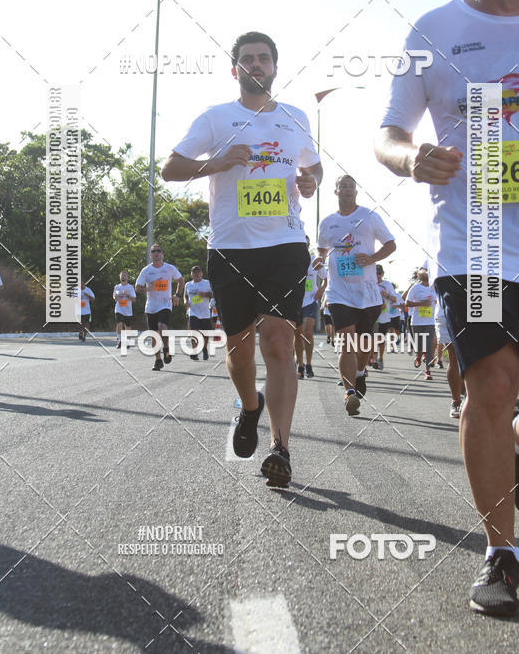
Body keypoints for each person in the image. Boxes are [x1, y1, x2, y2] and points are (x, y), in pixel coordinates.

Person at [376, 0, 519, 617]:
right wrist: (409, 159)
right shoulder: (434, 28)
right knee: (488, 385)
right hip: (475, 240)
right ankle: (502, 551)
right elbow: (388, 130)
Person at [162, 31, 322, 488]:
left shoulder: (295, 117)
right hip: (231, 247)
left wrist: (309, 180)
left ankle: (281, 449)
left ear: (275, 66)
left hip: (285, 245)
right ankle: (250, 407)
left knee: (277, 342)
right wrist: (217, 163)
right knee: (238, 350)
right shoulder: (216, 118)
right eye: (247, 59)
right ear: (235, 69)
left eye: (264, 58)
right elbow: (170, 169)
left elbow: (312, 165)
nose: (256, 65)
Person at [317, 175, 395, 415]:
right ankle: (349, 393)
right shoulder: (327, 222)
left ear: (356, 191)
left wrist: (372, 258)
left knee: (363, 344)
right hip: (339, 292)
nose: (347, 189)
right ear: (336, 191)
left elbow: (390, 244)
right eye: (343, 186)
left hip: (367, 293)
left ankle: (360, 372)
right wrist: (320, 260)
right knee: (346, 342)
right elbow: (322, 249)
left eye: (351, 186)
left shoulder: (369, 217)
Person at [135, 244, 184, 370]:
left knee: (162, 326)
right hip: (151, 306)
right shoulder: (146, 270)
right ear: (150, 255)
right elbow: (137, 287)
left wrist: (178, 295)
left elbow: (181, 281)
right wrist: (146, 288)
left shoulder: (169, 268)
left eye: (158, 251)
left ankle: (166, 348)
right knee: (154, 334)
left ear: (162, 254)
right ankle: (158, 360)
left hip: (165, 304)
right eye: (153, 251)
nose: (156, 253)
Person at [295, 237, 327, 379]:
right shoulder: (291, 260)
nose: (304, 247)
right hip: (295, 302)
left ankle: (308, 363)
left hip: (310, 301)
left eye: (306, 245)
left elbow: (327, 278)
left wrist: (321, 289)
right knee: (297, 334)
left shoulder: (314, 260)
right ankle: (300, 365)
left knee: (307, 332)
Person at [404, 268, 435, 380]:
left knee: (429, 346)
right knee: (419, 344)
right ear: (419, 276)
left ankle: (427, 371)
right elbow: (407, 303)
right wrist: (421, 303)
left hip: (431, 321)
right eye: (423, 271)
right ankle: (418, 354)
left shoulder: (434, 287)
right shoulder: (416, 288)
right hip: (417, 321)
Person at [184, 266, 213, 360]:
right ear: (191, 274)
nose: (196, 274)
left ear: (202, 273)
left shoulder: (207, 283)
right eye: (194, 272)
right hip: (193, 312)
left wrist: (205, 294)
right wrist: (185, 301)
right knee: (194, 332)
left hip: (205, 312)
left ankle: (204, 348)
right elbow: (186, 296)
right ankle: (194, 352)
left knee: (205, 334)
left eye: (198, 272)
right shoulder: (188, 284)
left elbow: (213, 294)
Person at [374, 264, 397, 370]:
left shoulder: (387, 285)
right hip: (372, 316)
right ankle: (373, 359)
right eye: (375, 273)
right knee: (371, 338)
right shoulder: (369, 283)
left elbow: (394, 299)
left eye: (379, 273)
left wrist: (386, 295)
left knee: (381, 339)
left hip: (384, 316)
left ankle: (380, 358)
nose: (377, 276)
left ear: (382, 274)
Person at [113, 270, 136, 352]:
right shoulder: (117, 287)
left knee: (127, 327)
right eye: (122, 275)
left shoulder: (130, 287)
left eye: (124, 275)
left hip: (128, 310)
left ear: (127, 277)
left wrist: (127, 295)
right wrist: (117, 296)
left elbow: (133, 299)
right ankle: (120, 340)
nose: (123, 277)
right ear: (119, 277)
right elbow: (115, 299)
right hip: (118, 309)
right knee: (119, 324)